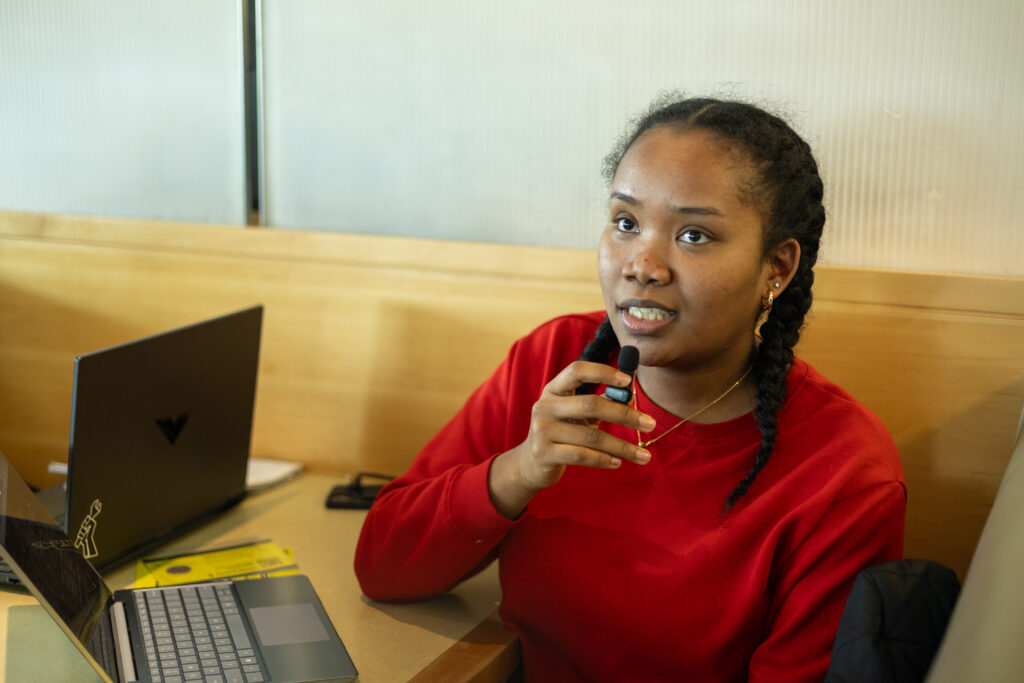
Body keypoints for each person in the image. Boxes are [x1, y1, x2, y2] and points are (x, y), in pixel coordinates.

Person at [354, 95, 906, 682]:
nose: (642, 264)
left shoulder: (844, 470)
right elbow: (383, 567)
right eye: (625, 223)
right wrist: (519, 470)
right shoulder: (552, 362)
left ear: (778, 266)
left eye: (694, 235)